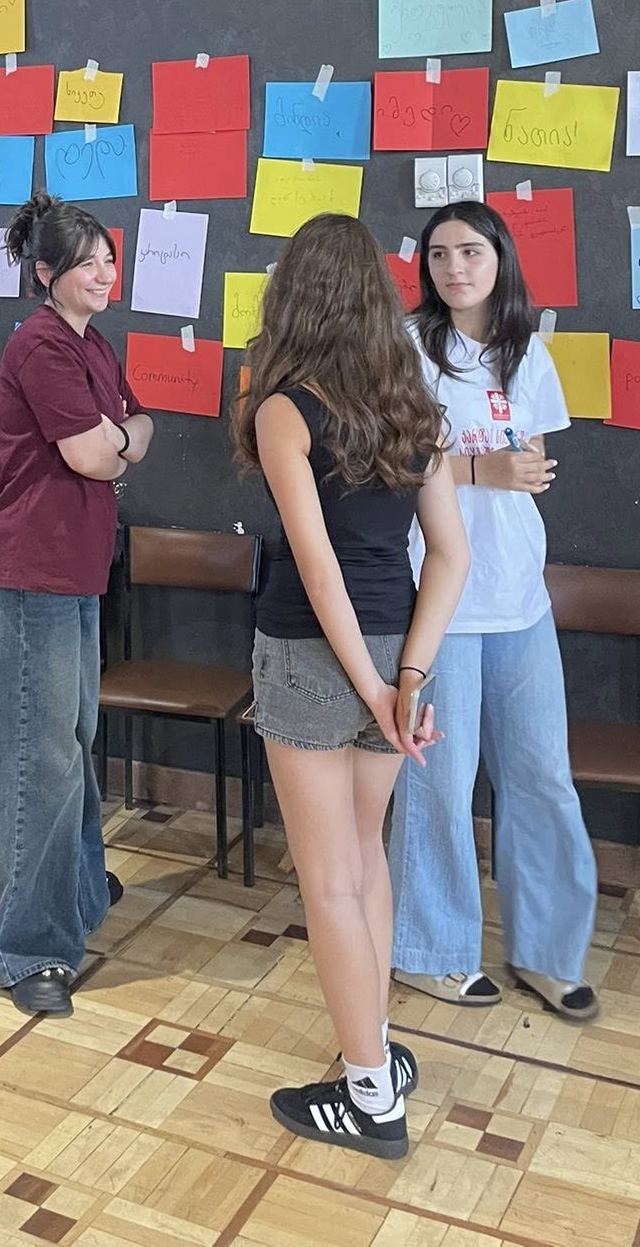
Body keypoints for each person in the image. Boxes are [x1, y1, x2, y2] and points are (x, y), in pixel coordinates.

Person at [234, 213, 469, 1161]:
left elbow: (317, 567)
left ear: (292, 296)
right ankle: (375, 1047)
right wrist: (406, 674)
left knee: (329, 879)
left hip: (313, 656)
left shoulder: (283, 409)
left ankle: (369, 1094)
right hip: (397, 649)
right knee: (364, 860)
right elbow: (449, 556)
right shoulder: (414, 404)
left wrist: (373, 687)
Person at [389, 200, 598, 1022]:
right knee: (440, 785)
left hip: (520, 595)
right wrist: (481, 473)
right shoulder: (405, 348)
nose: (454, 268)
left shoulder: (526, 349)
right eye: (439, 255)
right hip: (442, 597)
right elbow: (389, 461)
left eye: (470, 251)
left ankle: (548, 954)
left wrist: (495, 469)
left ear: (500, 258)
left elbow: (532, 463)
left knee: (542, 775)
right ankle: (430, 952)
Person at [0, 191, 153, 1018]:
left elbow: (139, 428)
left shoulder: (93, 343)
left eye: (110, 260)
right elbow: (94, 457)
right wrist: (118, 440)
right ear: (46, 274)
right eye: (87, 265)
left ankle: (75, 893)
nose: (105, 275)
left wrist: (121, 437)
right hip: (27, 579)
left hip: (74, 574)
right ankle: (25, 948)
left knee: (70, 746)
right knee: (33, 761)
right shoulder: (40, 345)